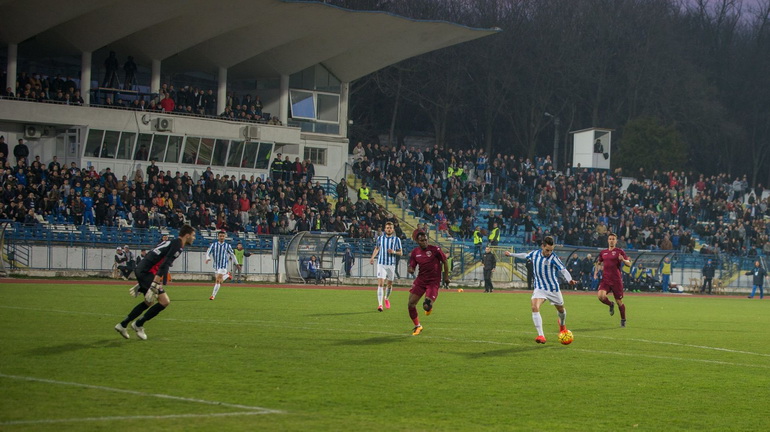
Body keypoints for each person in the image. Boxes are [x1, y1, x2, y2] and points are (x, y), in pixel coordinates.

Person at [114, 225, 196, 340]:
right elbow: (165, 263)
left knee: (148, 302)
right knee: (164, 301)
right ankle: (138, 324)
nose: (194, 238)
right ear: (187, 236)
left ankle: (123, 325)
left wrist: (144, 280)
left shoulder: (172, 242)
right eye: (193, 235)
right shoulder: (178, 245)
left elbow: (153, 256)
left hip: (144, 271)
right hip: (147, 272)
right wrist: (154, 282)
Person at [505, 236, 577, 343]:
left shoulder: (554, 258)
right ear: (542, 246)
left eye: (551, 250)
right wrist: (511, 254)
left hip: (553, 288)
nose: (549, 252)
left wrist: (569, 280)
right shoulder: (535, 254)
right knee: (534, 306)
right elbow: (525, 255)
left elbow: (563, 270)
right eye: (547, 250)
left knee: (561, 310)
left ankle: (562, 325)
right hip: (539, 287)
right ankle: (541, 336)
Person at [407, 231, 450, 336]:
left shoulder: (435, 249)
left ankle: (429, 307)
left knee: (426, 306)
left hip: (433, 281)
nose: (425, 242)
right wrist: (411, 269)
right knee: (411, 304)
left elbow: (445, 261)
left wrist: (446, 277)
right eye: (422, 240)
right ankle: (418, 326)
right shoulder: (415, 252)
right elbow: (412, 265)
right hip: (421, 280)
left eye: (426, 239)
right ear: (417, 241)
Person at [370, 221, 403, 311]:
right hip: (381, 263)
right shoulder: (380, 238)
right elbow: (377, 248)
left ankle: (386, 298)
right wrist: (372, 257)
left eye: (390, 228)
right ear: (385, 229)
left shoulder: (397, 240)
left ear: (393, 229)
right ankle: (380, 305)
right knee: (380, 283)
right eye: (387, 228)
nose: (389, 229)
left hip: (391, 265)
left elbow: (401, 252)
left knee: (389, 284)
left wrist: (394, 252)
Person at [205, 231, 236, 300]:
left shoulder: (227, 245)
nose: (222, 237)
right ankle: (227, 275)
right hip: (216, 265)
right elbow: (208, 252)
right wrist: (208, 258)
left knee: (217, 280)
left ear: (225, 237)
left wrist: (236, 263)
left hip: (223, 265)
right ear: (218, 237)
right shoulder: (213, 245)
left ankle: (213, 296)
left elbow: (232, 254)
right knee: (220, 281)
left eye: (223, 236)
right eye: (220, 236)